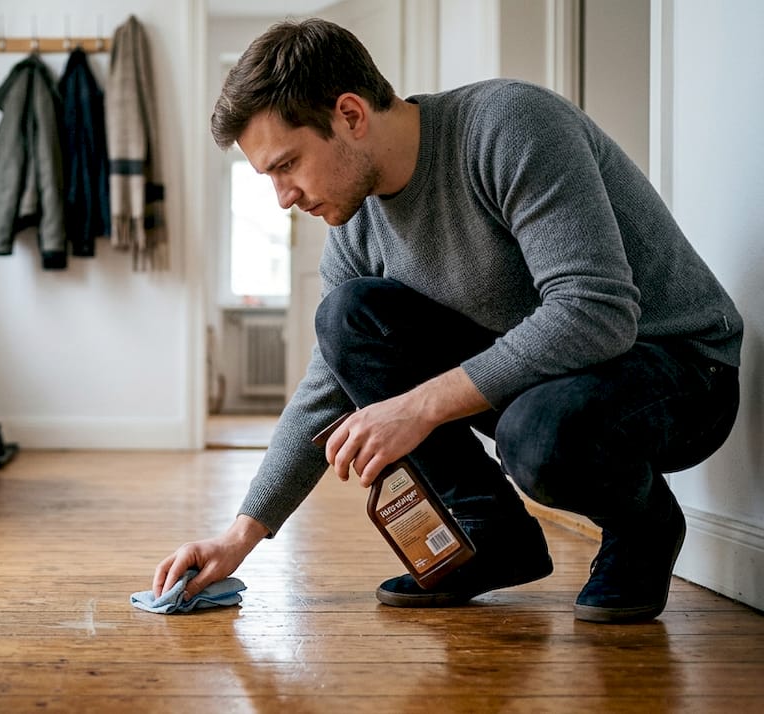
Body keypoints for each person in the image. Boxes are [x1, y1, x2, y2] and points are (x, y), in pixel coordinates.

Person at [154, 18, 742, 623]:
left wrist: (419, 406)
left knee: (537, 435)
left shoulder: (509, 126)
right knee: (347, 316)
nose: (284, 196)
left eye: (287, 165)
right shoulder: (356, 225)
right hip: (555, 380)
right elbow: (327, 385)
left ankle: (642, 526)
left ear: (350, 115)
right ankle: (492, 537)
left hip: (684, 369)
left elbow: (595, 312)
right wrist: (242, 533)